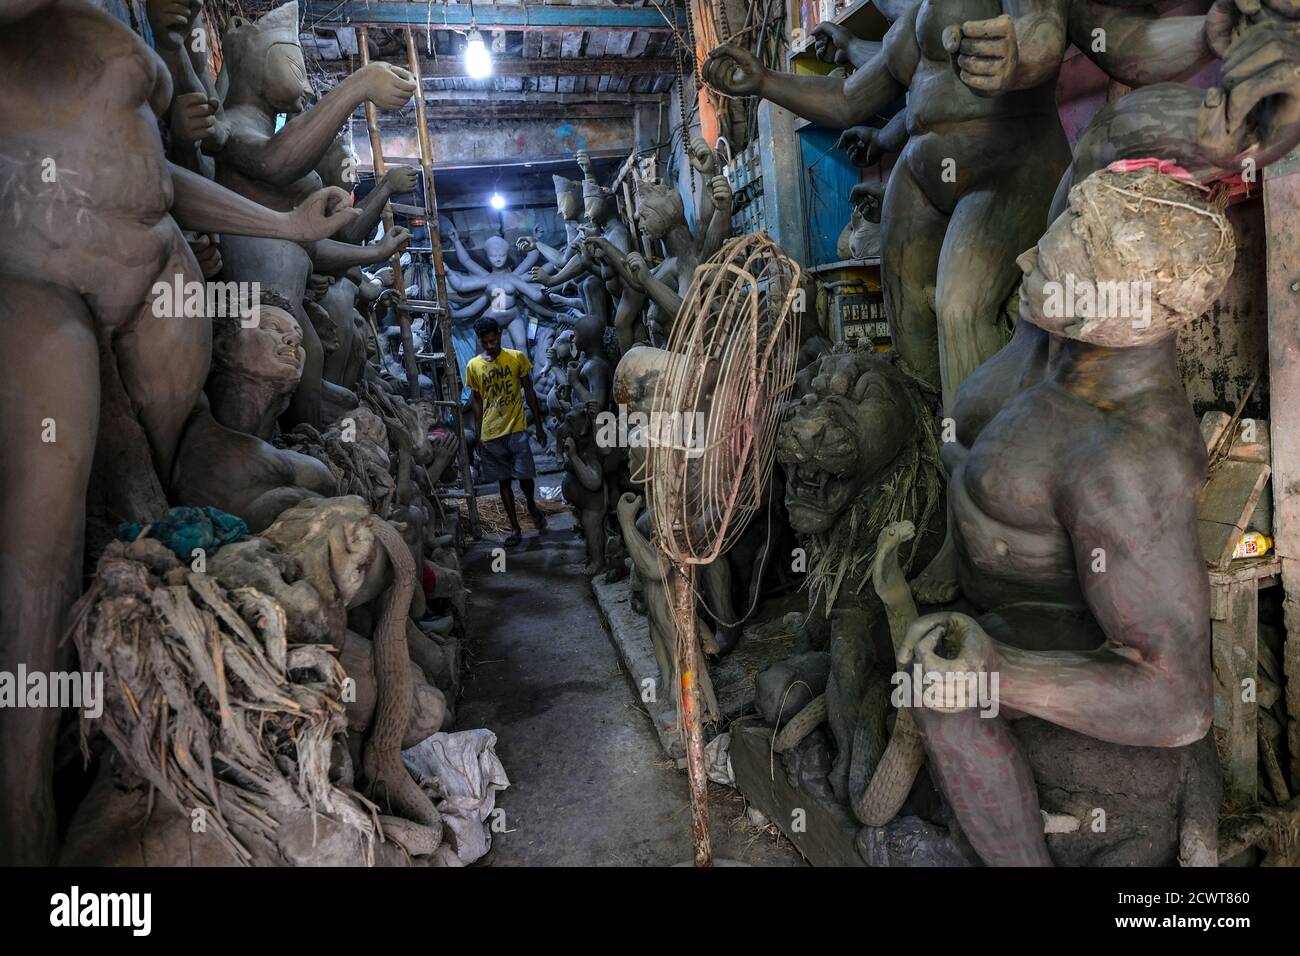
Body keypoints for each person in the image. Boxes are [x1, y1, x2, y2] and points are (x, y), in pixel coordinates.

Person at [466, 316, 549, 546]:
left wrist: (539, 426)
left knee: (525, 476)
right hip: (491, 433)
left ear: (500, 335)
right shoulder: (474, 366)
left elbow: (529, 392)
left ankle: (532, 506)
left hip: (516, 428)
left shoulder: (516, 358)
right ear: (480, 341)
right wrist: (479, 433)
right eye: (486, 342)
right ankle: (515, 528)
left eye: (493, 341)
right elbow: (477, 401)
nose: (490, 346)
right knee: (504, 482)